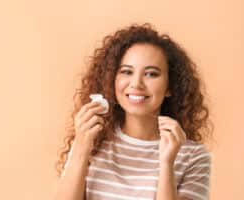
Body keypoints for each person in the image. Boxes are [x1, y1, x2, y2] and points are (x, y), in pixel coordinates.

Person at [54, 23, 213, 200]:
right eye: (126, 72)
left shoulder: (193, 157)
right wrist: (81, 149)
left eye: (151, 74)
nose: (136, 83)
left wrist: (167, 164)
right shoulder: (91, 141)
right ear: (112, 80)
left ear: (170, 86)